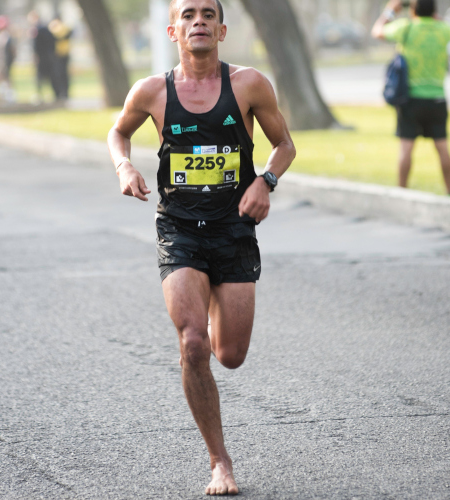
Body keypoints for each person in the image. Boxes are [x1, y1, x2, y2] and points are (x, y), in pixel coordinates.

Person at [107, 0, 295, 495]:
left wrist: (266, 181)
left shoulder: (249, 84)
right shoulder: (151, 91)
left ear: (222, 29)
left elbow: (285, 144)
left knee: (229, 354)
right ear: (174, 30)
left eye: (208, 15)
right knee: (193, 344)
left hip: (233, 228)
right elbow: (118, 132)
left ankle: (213, 304)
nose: (198, 22)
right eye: (188, 15)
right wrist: (124, 166)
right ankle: (220, 461)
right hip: (180, 228)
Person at [372, 0, 450, 194]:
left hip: (410, 100)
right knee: (442, 148)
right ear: (434, 10)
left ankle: (402, 192)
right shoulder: (443, 29)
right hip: (437, 98)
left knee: (406, 148)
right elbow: (439, 22)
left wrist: (391, 10)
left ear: (413, 10)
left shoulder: (406, 27)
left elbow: (377, 31)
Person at [27, 10, 59, 102]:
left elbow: (36, 45)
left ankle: (40, 95)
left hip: (41, 57)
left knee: (40, 76)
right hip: (48, 56)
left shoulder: (37, 29)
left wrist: (36, 55)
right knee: (50, 76)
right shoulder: (45, 28)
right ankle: (55, 94)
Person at [49, 15, 72, 100]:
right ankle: (63, 92)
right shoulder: (65, 27)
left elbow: (57, 35)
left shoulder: (57, 27)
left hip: (60, 54)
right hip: (61, 54)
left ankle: (62, 93)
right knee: (62, 75)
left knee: (60, 75)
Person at [0, 15, 16, 103]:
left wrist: (3, 64)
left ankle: (9, 98)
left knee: (6, 80)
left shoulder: (5, 36)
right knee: (3, 81)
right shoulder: (4, 36)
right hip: (3, 62)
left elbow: (7, 52)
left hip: (5, 62)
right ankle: (5, 97)